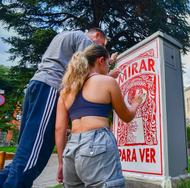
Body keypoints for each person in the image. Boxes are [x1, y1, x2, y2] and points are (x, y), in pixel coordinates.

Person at [0, 28, 118, 187]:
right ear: (96, 36)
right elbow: (90, 74)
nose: (98, 51)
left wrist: (109, 62)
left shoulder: (64, 36)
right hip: (50, 88)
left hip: (36, 86)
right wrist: (109, 77)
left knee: (25, 149)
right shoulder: (85, 40)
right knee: (33, 155)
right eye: (101, 46)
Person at [55, 44, 143, 187]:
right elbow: (127, 117)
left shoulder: (66, 91)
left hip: (70, 150)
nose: (108, 68)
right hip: (97, 144)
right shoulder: (107, 82)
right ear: (100, 61)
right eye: (108, 63)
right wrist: (135, 103)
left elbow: (59, 129)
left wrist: (61, 163)